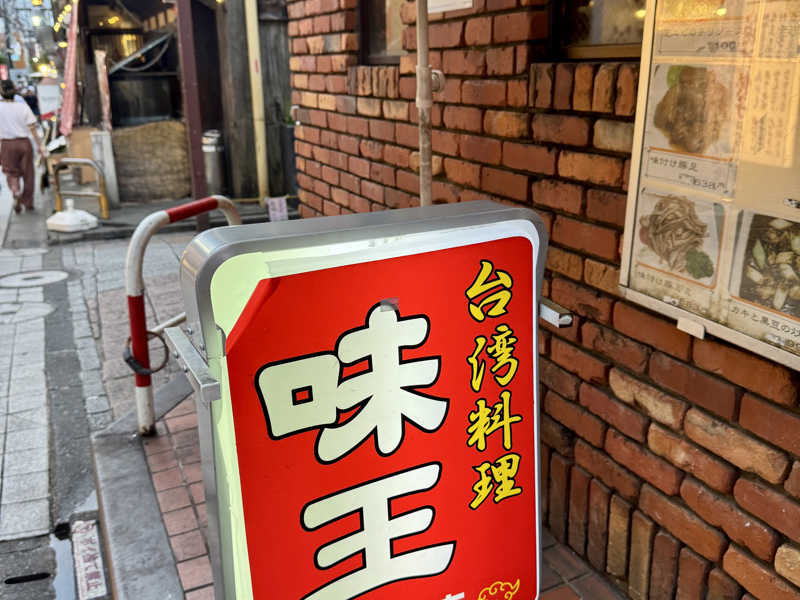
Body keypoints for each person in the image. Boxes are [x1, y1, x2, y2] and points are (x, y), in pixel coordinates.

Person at [0, 79, 42, 213]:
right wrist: (40, 145)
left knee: (11, 172)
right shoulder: (22, 106)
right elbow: (32, 127)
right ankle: (28, 202)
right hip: (24, 143)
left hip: (7, 144)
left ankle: (16, 191)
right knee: (28, 174)